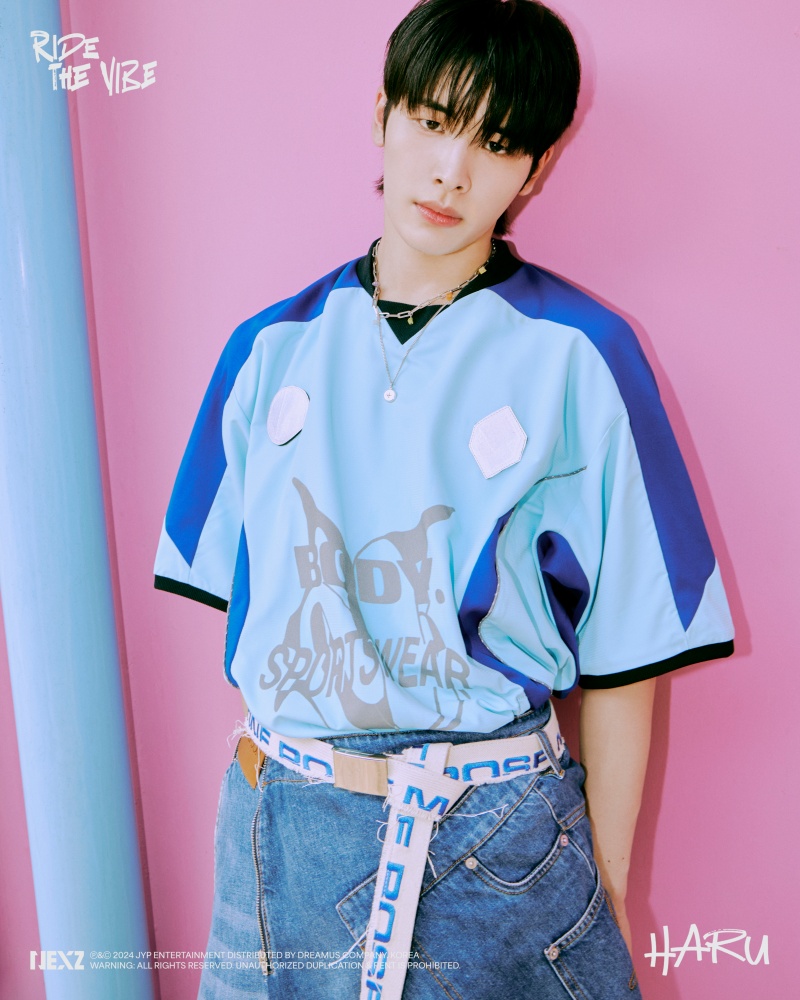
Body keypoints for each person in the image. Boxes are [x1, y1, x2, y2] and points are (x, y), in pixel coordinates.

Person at [154, 1, 735, 997]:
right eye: (431, 121)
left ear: (536, 169)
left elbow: (627, 659)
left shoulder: (582, 357)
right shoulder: (266, 350)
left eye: (496, 144)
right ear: (382, 113)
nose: (450, 171)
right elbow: (254, 612)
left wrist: (606, 887)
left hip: (494, 842)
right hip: (280, 829)